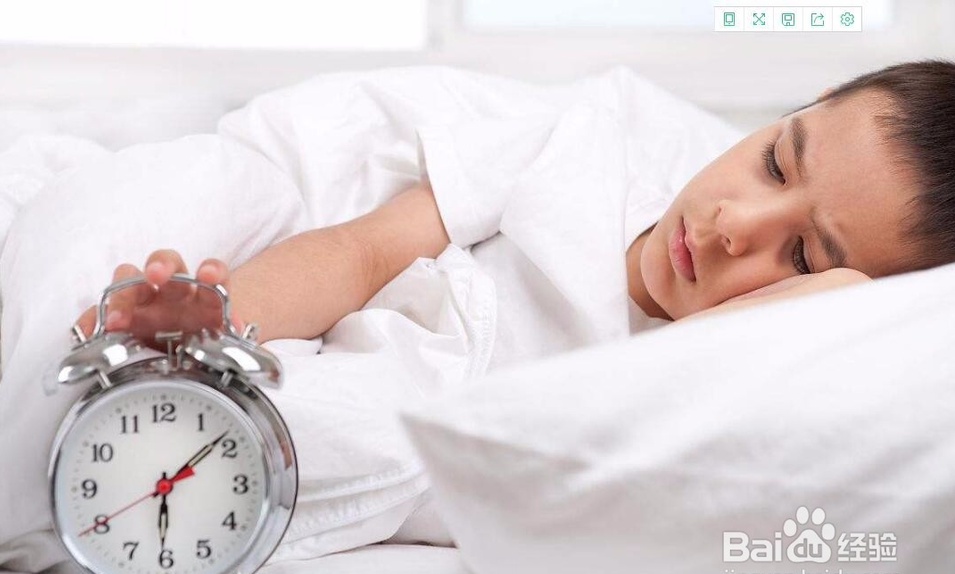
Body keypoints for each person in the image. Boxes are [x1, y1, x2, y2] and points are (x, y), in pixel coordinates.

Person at [74, 60, 955, 349]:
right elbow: (363, 249)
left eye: (801, 255)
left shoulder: (714, 369)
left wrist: (831, 303)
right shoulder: (576, 154)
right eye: (773, 162)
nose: (733, 226)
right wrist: (211, 324)